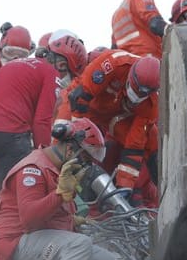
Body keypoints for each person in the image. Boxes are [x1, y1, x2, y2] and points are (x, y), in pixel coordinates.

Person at [0, 118, 119, 260]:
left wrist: (71, 220)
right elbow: (29, 219)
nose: (86, 166)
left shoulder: (58, 171)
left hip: (37, 245)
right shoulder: (33, 168)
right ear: (70, 149)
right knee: (78, 244)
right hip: (16, 248)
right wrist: (60, 195)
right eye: (85, 159)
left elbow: (50, 218)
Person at [0, 34, 87, 189]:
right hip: (5, 135)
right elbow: (42, 122)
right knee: (28, 165)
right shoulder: (51, 73)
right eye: (69, 76)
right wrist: (47, 161)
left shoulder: (16, 64)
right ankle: (12, 206)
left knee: (9, 160)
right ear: (62, 65)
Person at [68, 49, 160, 198]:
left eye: (142, 95)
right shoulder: (114, 63)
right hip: (84, 105)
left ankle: (147, 191)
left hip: (113, 116)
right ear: (130, 75)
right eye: (135, 90)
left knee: (151, 139)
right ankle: (58, 178)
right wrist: (76, 137)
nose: (136, 97)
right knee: (69, 138)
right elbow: (79, 98)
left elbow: (134, 146)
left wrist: (125, 186)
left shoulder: (151, 104)